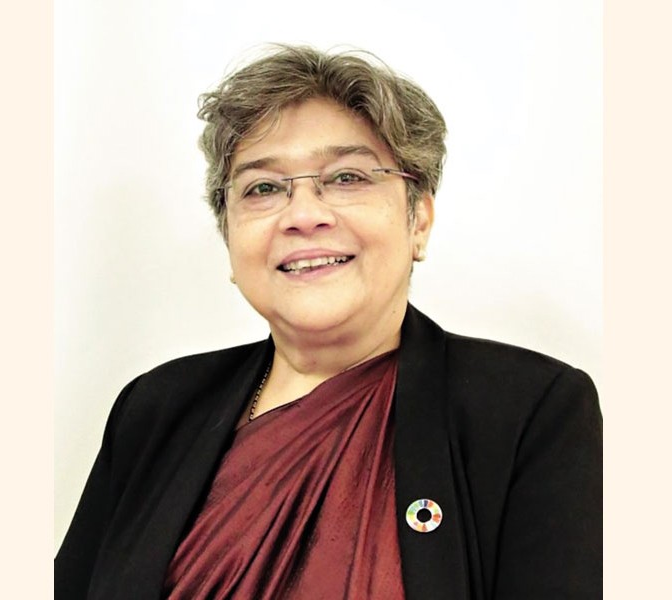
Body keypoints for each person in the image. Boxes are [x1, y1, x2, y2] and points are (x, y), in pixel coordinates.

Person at [55, 44, 602, 599]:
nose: (303, 214)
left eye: (347, 178)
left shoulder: (530, 412)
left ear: (418, 219)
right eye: (263, 188)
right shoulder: (155, 409)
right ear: (229, 238)